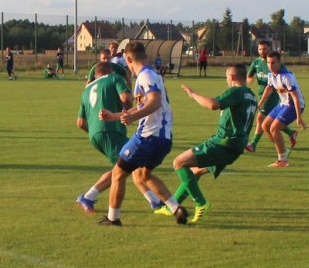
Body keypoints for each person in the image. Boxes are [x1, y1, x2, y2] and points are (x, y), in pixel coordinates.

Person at [97, 42, 187, 226]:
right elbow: (144, 105)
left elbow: (154, 102)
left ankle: (113, 218)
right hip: (164, 138)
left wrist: (133, 117)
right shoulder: (151, 74)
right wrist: (115, 116)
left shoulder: (145, 75)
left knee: (118, 174)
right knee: (143, 175)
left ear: (128, 59)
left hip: (148, 136)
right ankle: (176, 209)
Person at [75, 62, 165, 214]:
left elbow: (80, 123)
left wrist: (96, 131)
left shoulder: (86, 90)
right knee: (124, 167)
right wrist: (130, 108)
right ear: (109, 71)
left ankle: (154, 201)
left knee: (129, 165)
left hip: (95, 134)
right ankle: (88, 196)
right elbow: (125, 97)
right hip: (111, 130)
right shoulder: (114, 77)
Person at [173, 64, 257, 223]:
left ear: (231, 77)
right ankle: (171, 205)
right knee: (195, 171)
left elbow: (212, 104)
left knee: (179, 162)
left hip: (224, 142)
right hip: (237, 145)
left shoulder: (237, 91)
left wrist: (193, 94)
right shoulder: (251, 95)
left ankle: (201, 203)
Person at [245, 41, 298, 153]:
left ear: (270, 49)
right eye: (260, 49)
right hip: (261, 94)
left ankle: (253, 144)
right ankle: (290, 133)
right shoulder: (256, 63)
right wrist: (249, 79)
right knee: (271, 121)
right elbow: (249, 75)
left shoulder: (275, 64)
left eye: (264, 49)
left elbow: (283, 79)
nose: (262, 51)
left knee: (260, 118)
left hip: (272, 95)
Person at [258, 51, 306, 167]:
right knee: (265, 126)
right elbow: (268, 89)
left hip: (294, 106)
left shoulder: (286, 76)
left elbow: (295, 97)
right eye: (269, 63)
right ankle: (284, 150)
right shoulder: (271, 74)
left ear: (279, 63)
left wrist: (299, 118)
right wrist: (260, 103)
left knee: (274, 128)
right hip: (283, 104)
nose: (270, 65)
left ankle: (282, 160)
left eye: (273, 62)